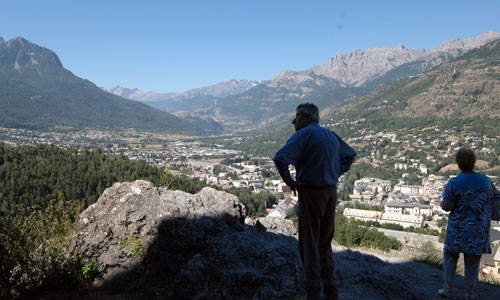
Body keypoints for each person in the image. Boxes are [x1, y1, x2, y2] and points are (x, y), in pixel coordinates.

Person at [273, 103, 356, 300]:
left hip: (311, 192)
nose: (294, 121)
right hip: (330, 192)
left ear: (307, 118)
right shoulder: (330, 134)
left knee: (309, 244)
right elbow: (350, 155)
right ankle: (331, 291)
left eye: (297, 116)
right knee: (324, 242)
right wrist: (334, 172)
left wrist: (290, 182)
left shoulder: (304, 134)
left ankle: (313, 293)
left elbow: (279, 158)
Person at [439, 148, 500, 299]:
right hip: (479, 228)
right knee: (473, 261)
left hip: (458, 228)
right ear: (474, 162)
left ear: (458, 163)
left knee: (451, 256)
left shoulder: (454, 182)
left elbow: (446, 206)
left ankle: (448, 289)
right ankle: (469, 294)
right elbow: (497, 198)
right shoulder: (486, 181)